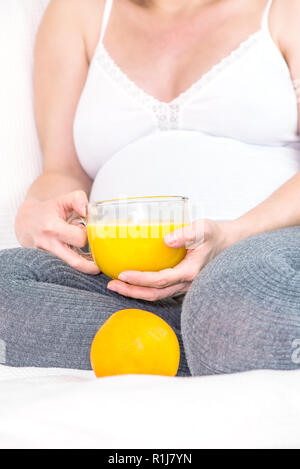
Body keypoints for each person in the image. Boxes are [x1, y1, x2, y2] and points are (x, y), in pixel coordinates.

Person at [1, 0, 300, 376]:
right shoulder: (76, 12)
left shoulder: (287, 9)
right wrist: (36, 209)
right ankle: (219, 339)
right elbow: (63, 171)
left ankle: (211, 331)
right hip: (124, 270)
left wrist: (230, 235)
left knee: (231, 295)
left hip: (259, 247)